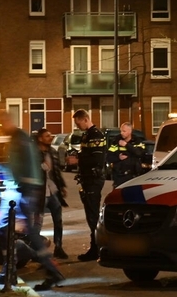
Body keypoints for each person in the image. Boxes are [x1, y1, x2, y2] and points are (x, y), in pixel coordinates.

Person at [0, 111, 64, 291]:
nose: (0, 126)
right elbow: (16, 167)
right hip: (22, 189)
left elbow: (25, 167)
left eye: (2, 121)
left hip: (23, 191)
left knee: (5, 228)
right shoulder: (18, 138)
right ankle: (23, 270)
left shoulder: (19, 138)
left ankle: (14, 271)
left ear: (8, 121)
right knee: (19, 232)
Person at [72, 109, 107, 261]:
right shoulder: (87, 135)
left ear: (85, 119)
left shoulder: (96, 135)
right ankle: (95, 247)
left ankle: (96, 248)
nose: (77, 126)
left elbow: (96, 160)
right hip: (88, 180)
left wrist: (78, 160)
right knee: (90, 215)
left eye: (78, 123)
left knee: (93, 216)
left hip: (93, 180)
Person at [37, 128, 68, 259]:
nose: (50, 137)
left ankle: (58, 246)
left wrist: (61, 186)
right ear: (40, 139)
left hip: (52, 191)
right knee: (37, 222)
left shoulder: (52, 152)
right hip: (40, 192)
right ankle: (36, 249)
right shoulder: (35, 154)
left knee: (58, 219)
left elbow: (56, 171)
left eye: (50, 135)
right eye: (47, 136)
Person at [107, 122, 146, 187]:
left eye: (124, 131)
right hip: (119, 176)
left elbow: (139, 153)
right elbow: (108, 157)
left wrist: (126, 145)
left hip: (133, 176)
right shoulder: (116, 141)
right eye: (121, 131)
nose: (121, 133)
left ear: (130, 131)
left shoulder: (137, 141)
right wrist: (118, 157)